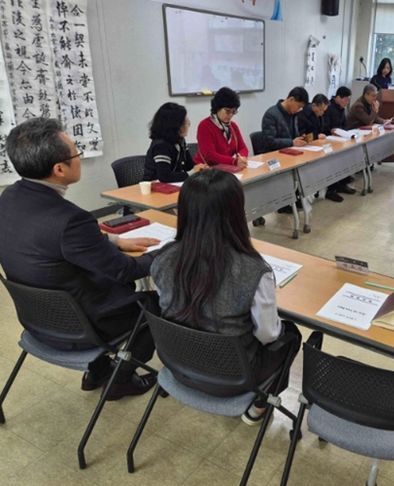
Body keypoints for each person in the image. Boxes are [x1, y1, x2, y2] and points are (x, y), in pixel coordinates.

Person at [0, 118, 160, 399]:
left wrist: (115, 241)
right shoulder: (70, 219)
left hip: (38, 318)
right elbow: (125, 271)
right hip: (81, 325)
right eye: (77, 153)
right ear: (59, 169)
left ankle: (98, 371)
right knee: (153, 305)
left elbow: (54, 243)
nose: (80, 158)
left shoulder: (9, 198)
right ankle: (120, 379)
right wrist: (169, 252)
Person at [151, 169, 302, 424]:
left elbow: (167, 305)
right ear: (236, 212)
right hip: (234, 379)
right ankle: (258, 406)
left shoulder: (163, 258)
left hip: (180, 365)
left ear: (184, 211)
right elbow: (268, 335)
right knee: (291, 335)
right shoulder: (254, 270)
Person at [143, 102, 206, 183]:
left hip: (174, 184)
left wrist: (200, 168)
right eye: (184, 122)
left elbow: (189, 166)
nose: (188, 124)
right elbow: (164, 177)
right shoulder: (161, 146)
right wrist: (192, 173)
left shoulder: (180, 140)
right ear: (174, 125)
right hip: (154, 186)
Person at [194, 87, 249, 169]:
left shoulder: (233, 126)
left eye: (234, 111)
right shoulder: (204, 126)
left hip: (227, 168)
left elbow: (243, 148)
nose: (231, 115)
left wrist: (241, 157)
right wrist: (234, 161)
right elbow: (210, 156)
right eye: (227, 111)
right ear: (217, 108)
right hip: (206, 170)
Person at [261, 86, 309, 151]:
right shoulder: (271, 115)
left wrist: (300, 138)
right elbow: (270, 142)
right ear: (291, 99)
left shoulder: (293, 114)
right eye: (299, 106)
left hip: (291, 151)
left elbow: (293, 136)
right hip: (275, 154)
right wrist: (292, 142)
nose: (299, 109)